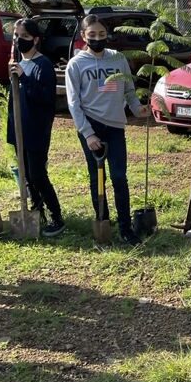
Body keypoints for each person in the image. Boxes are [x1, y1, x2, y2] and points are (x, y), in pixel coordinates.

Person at [65, 14, 146, 245]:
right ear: (83, 36)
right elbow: (73, 103)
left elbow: (129, 90)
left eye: (101, 34)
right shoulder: (76, 64)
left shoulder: (118, 59)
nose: (97, 38)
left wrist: (137, 108)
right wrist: (87, 133)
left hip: (115, 126)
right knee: (97, 178)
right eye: (92, 35)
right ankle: (102, 221)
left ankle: (125, 227)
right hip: (91, 126)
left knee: (119, 177)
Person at [7, 19, 64, 237]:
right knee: (27, 175)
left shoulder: (43, 65)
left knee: (38, 174)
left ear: (36, 40)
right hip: (19, 128)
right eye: (16, 35)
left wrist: (24, 77)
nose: (19, 40)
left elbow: (45, 99)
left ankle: (56, 216)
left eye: (24, 36)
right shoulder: (17, 63)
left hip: (37, 128)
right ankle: (37, 211)